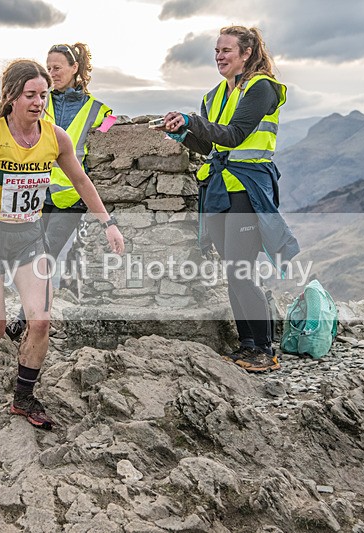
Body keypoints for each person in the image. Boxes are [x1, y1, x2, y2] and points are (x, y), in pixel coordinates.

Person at [0, 59, 124, 430]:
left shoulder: (56, 138)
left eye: (43, 95)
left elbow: (83, 182)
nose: (39, 102)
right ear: (11, 97)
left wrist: (109, 223)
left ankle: (23, 399)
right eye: (30, 95)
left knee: (40, 321)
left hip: (28, 236)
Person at [158, 25, 299, 373]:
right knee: (231, 270)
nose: (219, 56)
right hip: (219, 188)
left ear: (247, 53)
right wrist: (183, 132)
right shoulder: (213, 95)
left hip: (247, 188)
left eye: (226, 50)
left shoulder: (261, 88)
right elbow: (208, 146)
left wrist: (192, 120)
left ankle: (264, 350)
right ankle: (247, 345)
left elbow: (235, 135)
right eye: (216, 52)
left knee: (241, 270)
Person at [5, 43, 112, 342]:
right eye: (48, 68)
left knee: (45, 254)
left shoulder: (99, 110)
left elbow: (113, 135)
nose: (51, 73)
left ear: (75, 68)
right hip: (35, 195)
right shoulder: (40, 101)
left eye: (57, 68)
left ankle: (23, 320)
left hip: (69, 199)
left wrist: (116, 127)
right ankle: (28, 316)